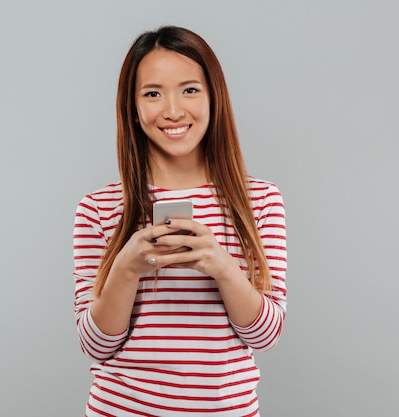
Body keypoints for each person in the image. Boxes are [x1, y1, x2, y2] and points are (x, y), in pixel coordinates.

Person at [73, 26, 287, 416]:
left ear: (214, 97)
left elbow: (266, 334)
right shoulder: (99, 207)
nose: (172, 110)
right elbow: (95, 345)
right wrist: (126, 268)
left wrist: (221, 266)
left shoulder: (258, 201)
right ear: (133, 109)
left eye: (190, 89)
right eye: (152, 93)